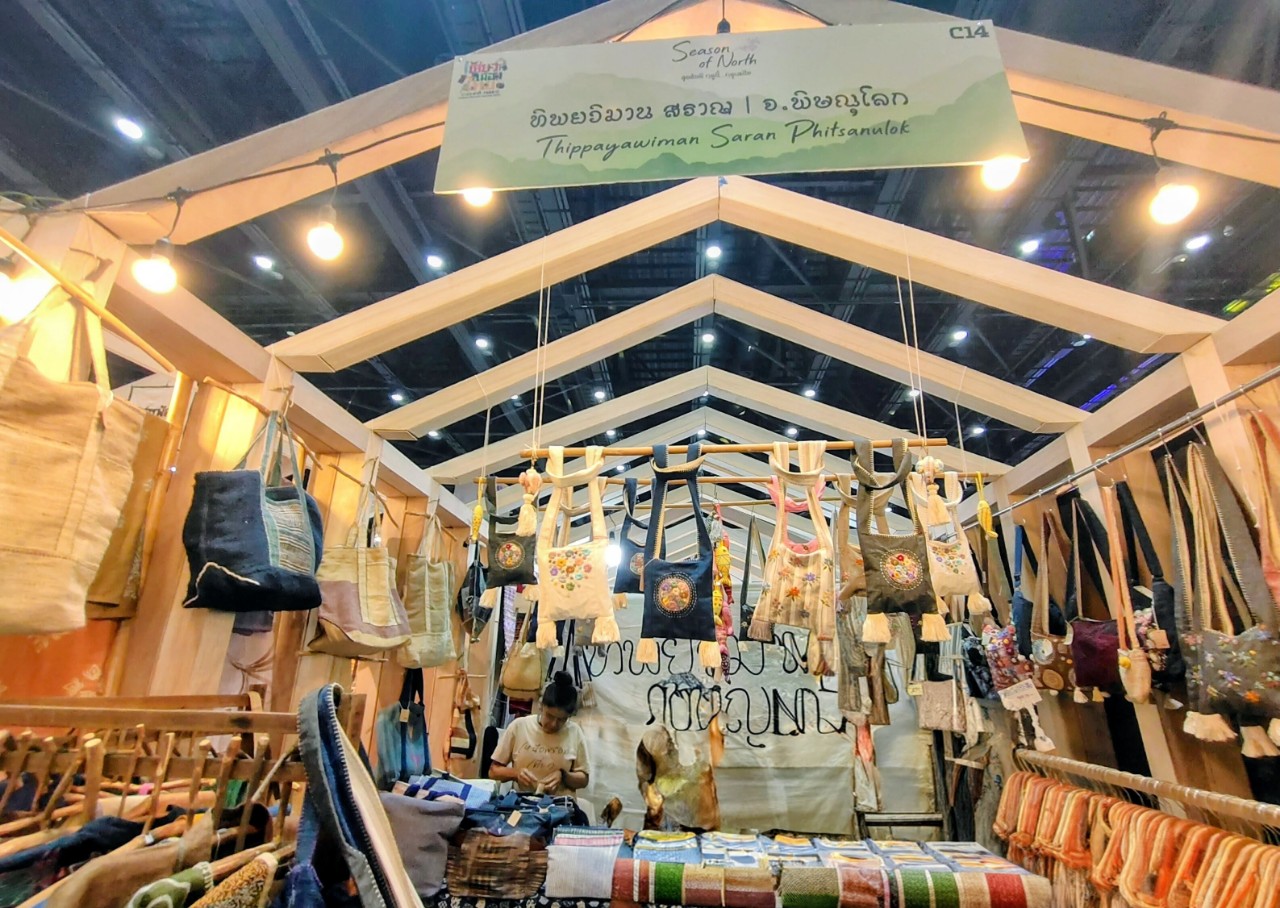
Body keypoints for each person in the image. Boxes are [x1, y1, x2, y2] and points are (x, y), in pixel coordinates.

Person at [489, 671, 590, 795]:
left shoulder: (574, 732)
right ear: (541, 706)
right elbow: (493, 771)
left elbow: (584, 780)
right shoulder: (519, 726)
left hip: (560, 803)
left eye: (561, 720)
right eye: (550, 716)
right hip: (524, 801)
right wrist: (516, 773)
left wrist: (564, 776)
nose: (553, 724)